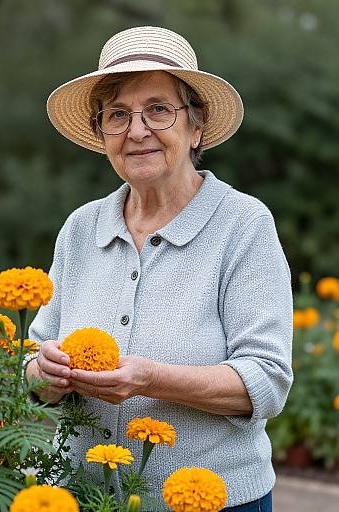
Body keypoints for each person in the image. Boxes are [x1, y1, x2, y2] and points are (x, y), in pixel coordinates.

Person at [26, 26, 292, 511]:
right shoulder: (81, 228)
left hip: (215, 501)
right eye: (118, 115)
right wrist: (43, 372)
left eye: (159, 109)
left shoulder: (244, 224)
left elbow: (267, 381)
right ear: (102, 133)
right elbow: (34, 356)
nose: (137, 130)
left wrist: (151, 378)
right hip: (85, 497)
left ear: (197, 126)